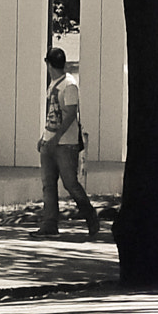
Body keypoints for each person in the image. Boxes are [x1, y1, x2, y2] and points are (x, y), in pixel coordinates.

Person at [33, 47, 101, 240]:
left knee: (70, 183)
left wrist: (55, 138)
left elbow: (71, 114)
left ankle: (90, 217)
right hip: (50, 142)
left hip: (66, 144)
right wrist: (44, 137)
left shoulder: (69, 85)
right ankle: (49, 224)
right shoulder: (55, 83)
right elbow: (52, 115)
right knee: (48, 184)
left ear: (49, 64)